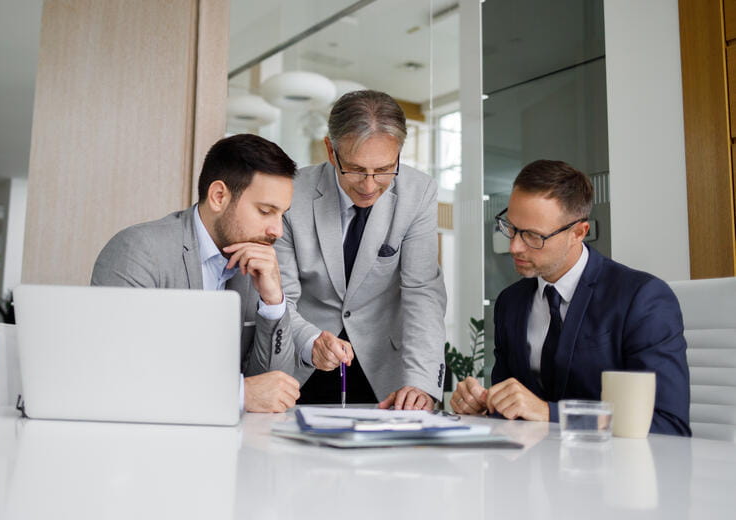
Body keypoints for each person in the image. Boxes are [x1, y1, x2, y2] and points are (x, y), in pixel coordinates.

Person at [450, 159, 691, 436]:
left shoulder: (641, 299)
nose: (514, 246)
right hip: (526, 470)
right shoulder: (510, 302)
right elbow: (514, 410)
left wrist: (549, 414)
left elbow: (666, 425)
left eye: (532, 236)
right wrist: (484, 406)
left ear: (578, 233)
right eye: (511, 228)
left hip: (612, 472)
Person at [91, 133, 300, 413]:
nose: (278, 231)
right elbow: (116, 372)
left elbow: (275, 389)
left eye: (281, 215)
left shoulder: (259, 263)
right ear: (218, 197)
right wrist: (236, 394)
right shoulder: (139, 251)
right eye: (265, 211)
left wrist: (273, 301)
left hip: (235, 445)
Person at [276, 90, 447, 410]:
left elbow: (422, 291)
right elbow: (278, 296)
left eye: (384, 169)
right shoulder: (290, 193)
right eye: (355, 169)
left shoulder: (418, 193)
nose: (369, 186)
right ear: (331, 150)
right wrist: (310, 340)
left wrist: (421, 382)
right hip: (306, 359)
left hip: (386, 369)